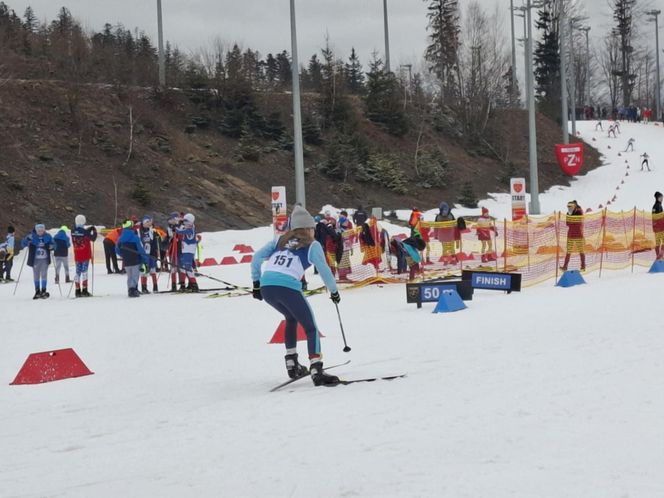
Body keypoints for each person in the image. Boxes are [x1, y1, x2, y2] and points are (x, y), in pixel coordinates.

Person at [251, 205, 341, 386]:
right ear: (309, 228)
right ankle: (317, 369)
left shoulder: (279, 241)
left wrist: (256, 284)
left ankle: (291, 362)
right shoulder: (312, 245)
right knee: (310, 327)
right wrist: (334, 291)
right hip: (287, 287)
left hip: (268, 287)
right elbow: (324, 270)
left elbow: (256, 258)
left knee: (290, 318)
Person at [21, 223, 55, 299]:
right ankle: (37, 291)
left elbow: (54, 244)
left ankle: (43, 290)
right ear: (36, 230)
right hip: (35, 260)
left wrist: (52, 246)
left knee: (44, 275)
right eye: (38, 230)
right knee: (36, 275)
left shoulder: (48, 236)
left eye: (42, 230)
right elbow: (23, 244)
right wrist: (27, 240)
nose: (40, 232)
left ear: (44, 230)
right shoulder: (31, 236)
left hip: (44, 260)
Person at [115, 220, 148, 298]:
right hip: (135, 260)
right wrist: (144, 259)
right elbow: (141, 249)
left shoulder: (120, 238)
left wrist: (123, 255)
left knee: (129, 276)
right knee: (135, 275)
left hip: (126, 261)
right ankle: (133, 289)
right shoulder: (135, 237)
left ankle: (130, 289)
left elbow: (116, 249)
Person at [71, 215, 98, 297]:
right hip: (85, 254)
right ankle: (85, 290)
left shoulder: (72, 231)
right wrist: (95, 231)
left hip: (77, 254)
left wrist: (88, 229)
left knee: (78, 272)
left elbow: (81, 232)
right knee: (84, 271)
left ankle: (77, 290)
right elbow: (93, 238)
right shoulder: (84, 232)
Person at [175, 213, 199, 292]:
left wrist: (176, 226)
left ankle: (194, 284)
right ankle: (190, 284)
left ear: (190, 222)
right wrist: (180, 221)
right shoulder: (189, 227)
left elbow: (180, 232)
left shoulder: (189, 230)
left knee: (188, 268)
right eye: (184, 221)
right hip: (185, 251)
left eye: (186, 221)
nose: (185, 223)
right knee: (184, 267)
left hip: (189, 251)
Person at [138, 215, 161, 293]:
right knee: (144, 271)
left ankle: (155, 286)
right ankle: (144, 287)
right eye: (147, 222)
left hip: (151, 254)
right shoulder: (138, 231)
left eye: (150, 222)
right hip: (143, 255)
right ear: (143, 223)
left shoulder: (152, 231)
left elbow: (156, 242)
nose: (149, 224)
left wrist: (157, 251)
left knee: (153, 270)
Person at [561, 200, 586, 272]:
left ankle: (583, 267)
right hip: (571, 235)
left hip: (578, 234)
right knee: (568, 251)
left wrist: (572, 221)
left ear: (574, 206)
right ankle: (565, 267)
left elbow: (578, 223)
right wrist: (572, 221)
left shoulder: (579, 212)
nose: (569, 208)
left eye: (570, 207)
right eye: (568, 207)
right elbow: (567, 224)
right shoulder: (568, 213)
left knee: (581, 251)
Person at [653, 192, 664, 260]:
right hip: (660, 228)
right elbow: (658, 217)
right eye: (660, 197)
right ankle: (661, 256)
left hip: (656, 228)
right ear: (657, 198)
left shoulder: (655, 206)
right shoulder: (658, 206)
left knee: (658, 243)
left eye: (662, 198)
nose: (662, 199)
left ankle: (659, 257)